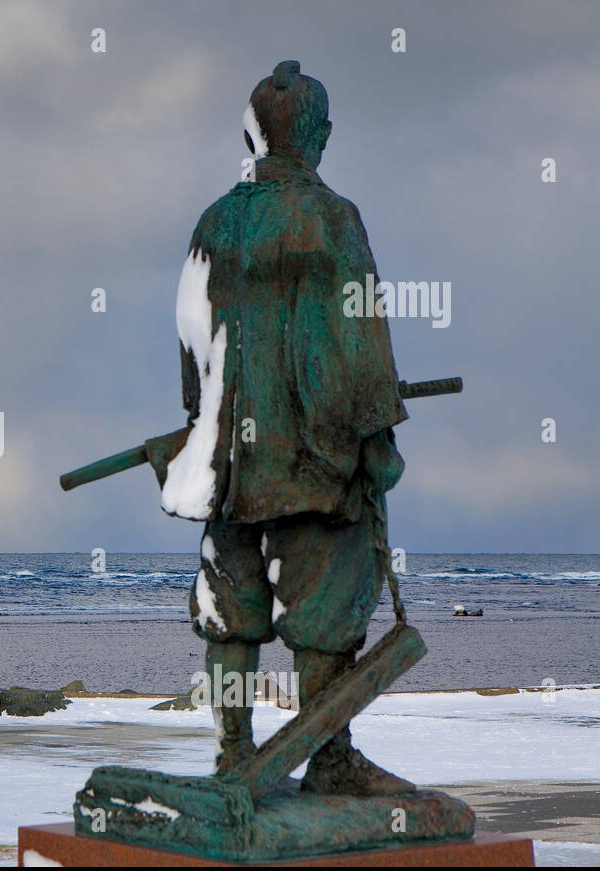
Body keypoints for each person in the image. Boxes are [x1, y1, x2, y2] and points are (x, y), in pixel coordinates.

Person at [163, 61, 412, 796]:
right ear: (316, 134)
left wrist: (199, 430)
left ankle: (233, 753)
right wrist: (375, 440)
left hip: (225, 464)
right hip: (313, 459)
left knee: (231, 613)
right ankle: (331, 760)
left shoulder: (215, 220)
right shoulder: (333, 219)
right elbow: (360, 338)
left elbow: (191, 340)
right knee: (325, 610)